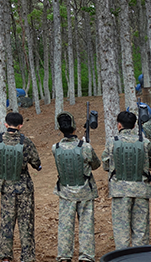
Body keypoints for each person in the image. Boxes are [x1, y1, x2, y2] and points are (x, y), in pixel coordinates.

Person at [101, 110, 151, 250]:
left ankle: (123, 257)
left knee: (121, 230)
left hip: (120, 192)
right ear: (134, 126)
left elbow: (105, 165)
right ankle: (140, 258)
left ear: (119, 125)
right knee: (141, 230)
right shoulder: (145, 143)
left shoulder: (111, 143)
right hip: (141, 191)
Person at [52, 112, 101, 262]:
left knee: (65, 226)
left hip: (66, 191)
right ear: (74, 127)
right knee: (86, 225)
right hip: (85, 191)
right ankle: (86, 256)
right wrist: (86, 144)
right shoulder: (85, 147)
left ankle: (64, 256)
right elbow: (96, 165)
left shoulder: (56, 147)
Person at [0, 112, 41, 262]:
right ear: (20, 126)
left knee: (6, 222)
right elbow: (36, 163)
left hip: (6, 187)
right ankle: (27, 257)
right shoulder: (25, 141)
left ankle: (5, 257)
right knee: (26, 222)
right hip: (24, 188)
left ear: (6, 124)